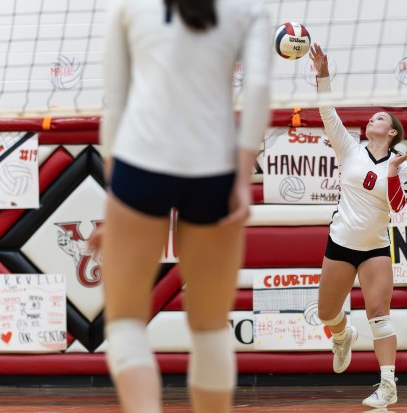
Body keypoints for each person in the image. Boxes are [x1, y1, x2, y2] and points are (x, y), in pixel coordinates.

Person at [91, 0, 270, 412]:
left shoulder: (128, 7)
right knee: (210, 329)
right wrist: (242, 179)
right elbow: (258, 90)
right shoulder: (249, 9)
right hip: (214, 170)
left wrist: (116, 198)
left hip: (141, 163)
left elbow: (114, 106)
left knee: (125, 323)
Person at [309, 43, 407, 409]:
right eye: (372, 118)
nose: (373, 120)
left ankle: (388, 385)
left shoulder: (398, 165)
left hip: (375, 248)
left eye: (381, 119)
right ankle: (342, 335)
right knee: (326, 313)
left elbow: (398, 207)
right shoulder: (350, 150)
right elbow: (327, 111)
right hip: (341, 243)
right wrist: (322, 74)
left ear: (393, 133)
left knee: (379, 313)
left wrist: (396, 173)